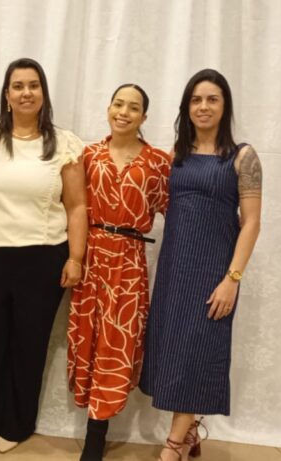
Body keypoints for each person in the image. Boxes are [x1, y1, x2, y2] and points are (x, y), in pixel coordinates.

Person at [0, 57, 87, 454]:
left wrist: (76, 257)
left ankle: (17, 422)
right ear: (7, 94)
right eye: (18, 86)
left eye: (33, 85)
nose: (26, 92)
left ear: (43, 93)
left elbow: (77, 206)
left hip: (43, 257)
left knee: (28, 344)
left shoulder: (64, 143)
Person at [139, 68, 263, 461]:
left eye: (212, 99)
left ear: (225, 106)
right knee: (174, 352)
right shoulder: (175, 157)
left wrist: (232, 279)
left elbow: (252, 223)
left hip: (214, 273)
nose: (203, 106)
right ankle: (190, 430)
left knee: (196, 351)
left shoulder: (242, 157)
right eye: (196, 100)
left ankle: (173, 445)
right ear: (186, 107)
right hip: (175, 270)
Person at [67, 84, 171, 461]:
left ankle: (97, 433)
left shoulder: (158, 162)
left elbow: (177, 212)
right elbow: (73, 207)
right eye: (118, 104)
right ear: (108, 108)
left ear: (144, 117)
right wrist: (73, 257)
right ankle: (92, 418)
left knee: (118, 342)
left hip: (128, 262)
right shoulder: (89, 155)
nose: (124, 112)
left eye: (133, 107)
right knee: (88, 338)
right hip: (91, 255)